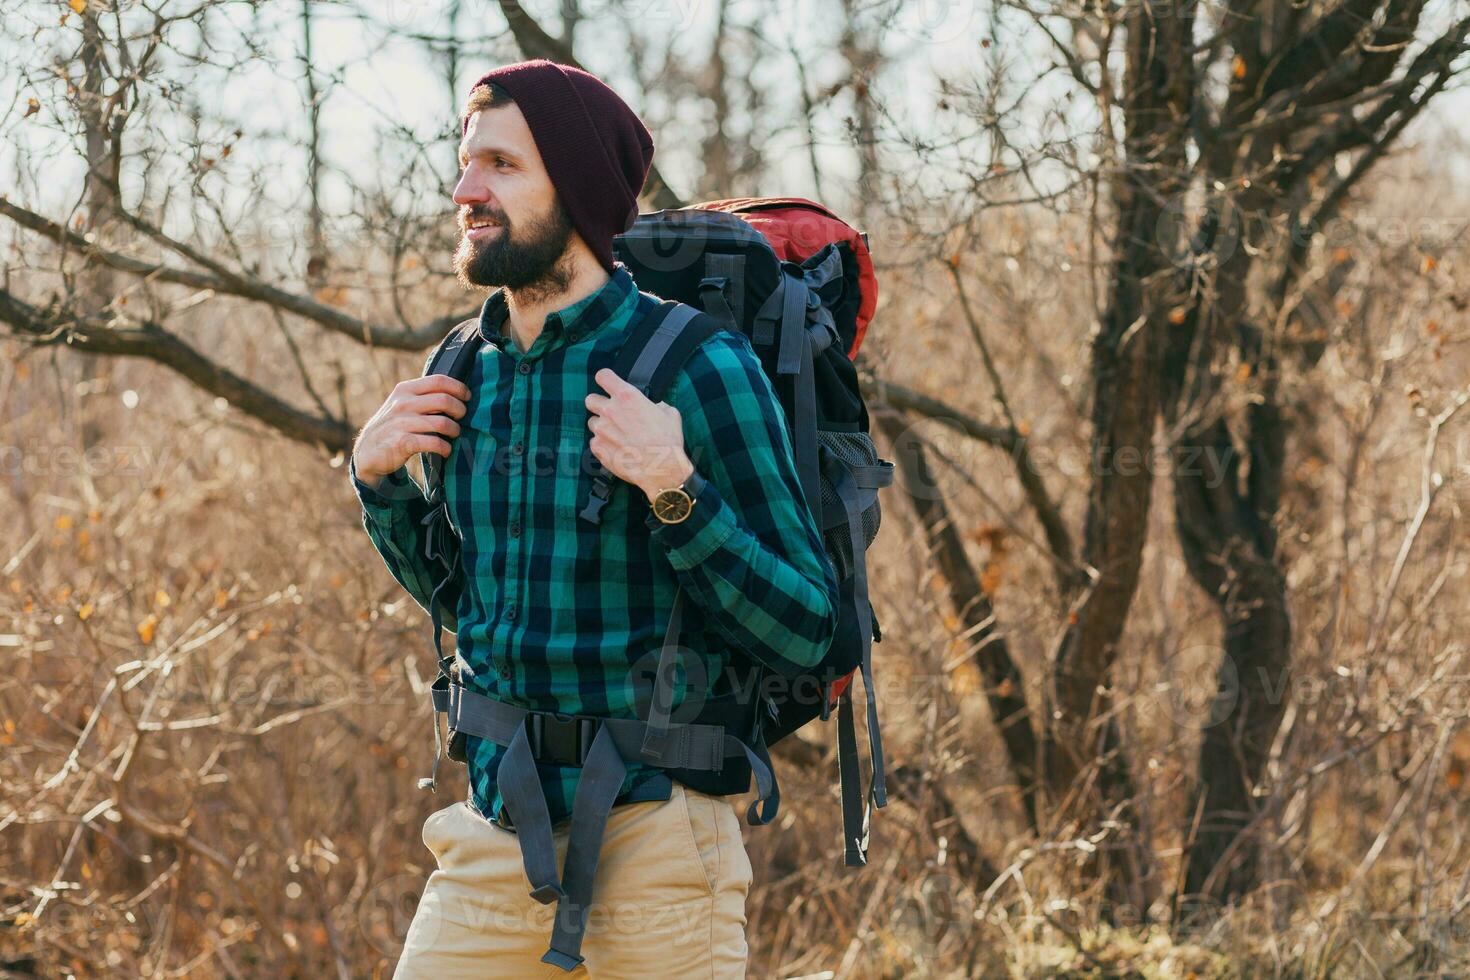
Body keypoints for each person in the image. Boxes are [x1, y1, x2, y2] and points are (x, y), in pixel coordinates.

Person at [348, 59, 839, 978]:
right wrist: (379, 488)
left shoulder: (697, 364)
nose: (464, 190)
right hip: (489, 841)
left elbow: (809, 629)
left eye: (499, 165)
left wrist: (675, 490)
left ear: (573, 188)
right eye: (465, 163)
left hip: (658, 844)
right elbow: (467, 601)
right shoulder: (460, 369)